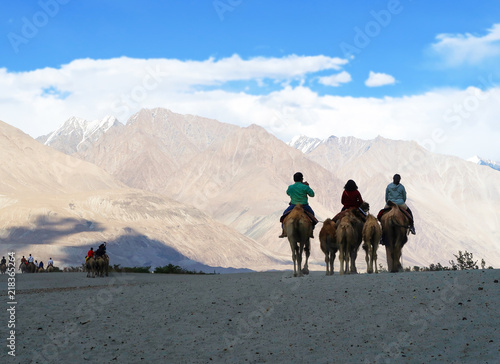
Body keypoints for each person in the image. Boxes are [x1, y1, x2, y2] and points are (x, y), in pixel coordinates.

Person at [279, 172, 317, 238]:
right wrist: (307, 186)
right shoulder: (305, 187)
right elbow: (312, 194)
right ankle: (311, 231)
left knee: (284, 216)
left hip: (293, 206)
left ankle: (284, 231)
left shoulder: (290, 187)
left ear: (294, 179)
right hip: (304, 206)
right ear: (302, 179)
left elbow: (288, 193)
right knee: (312, 216)